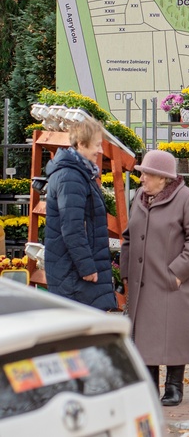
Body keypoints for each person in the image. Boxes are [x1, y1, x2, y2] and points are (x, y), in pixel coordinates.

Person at [120, 150, 189, 406]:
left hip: (171, 282)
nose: (141, 179)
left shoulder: (188, 199)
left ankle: (174, 386)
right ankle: (149, 386)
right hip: (143, 281)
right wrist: (125, 272)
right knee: (145, 336)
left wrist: (177, 273)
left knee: (173, 333)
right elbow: (129, 236)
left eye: (146, 174)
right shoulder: (140, 197)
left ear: (163, 178)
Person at [44, 116, 117, 311]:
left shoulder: (80, 173)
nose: (100, 150)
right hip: (74, 274)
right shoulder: (71, 177)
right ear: (82, 144)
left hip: (72, 270)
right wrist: (87, 267)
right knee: (80, 334)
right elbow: (72, 227)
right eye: (97, 145)